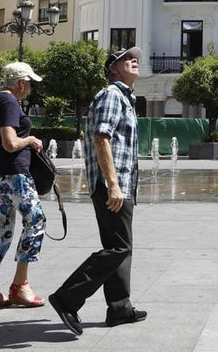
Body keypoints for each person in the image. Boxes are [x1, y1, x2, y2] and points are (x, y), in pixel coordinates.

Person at [49, 47, 147, 336]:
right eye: (126, 58)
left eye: (136, 57)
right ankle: (67, 298)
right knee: (119, 247)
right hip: (111, 186)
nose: (134, 59)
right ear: (113, 69)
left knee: (120, 247)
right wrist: (113, 185)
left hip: (121, 185)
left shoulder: (126, 99)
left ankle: (119, 308)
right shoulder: (111, 95)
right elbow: (101, 138)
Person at [0, 61, 47, 310]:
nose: (29, 88)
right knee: (36, 222)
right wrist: (30, 139)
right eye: (28, 84)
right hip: (15, 175)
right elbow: (9, 143)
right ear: (20, 83)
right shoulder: (9, 103)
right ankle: (20, 285)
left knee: (0, 226)